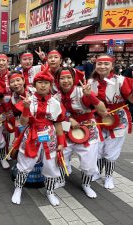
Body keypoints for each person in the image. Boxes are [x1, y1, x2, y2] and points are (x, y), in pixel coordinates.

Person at [11, 68, 66, 206]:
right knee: (24, 164)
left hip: (50, 137)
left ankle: (50, 192)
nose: (43, 85)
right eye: (40, 82)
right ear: (34, 85)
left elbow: (58, 124)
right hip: (31, 135)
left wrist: (61, 142)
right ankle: (18, 188)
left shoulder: (56, 103)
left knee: (51, 166)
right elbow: (23, 123)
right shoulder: (28, 100)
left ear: (50, 85)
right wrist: (25, 108)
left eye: (46, 82)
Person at [55, 67, 107, 199]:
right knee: (60, 156)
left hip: (87, 129)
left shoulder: (82, 91)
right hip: (66, 128)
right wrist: (68, 119)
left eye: (69, 77)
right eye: (62, 78)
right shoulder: (56, 96)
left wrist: (90, 95)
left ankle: (86, 184)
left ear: (74, 79)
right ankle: (61, 179)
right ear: (57, 80)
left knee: (88, 163)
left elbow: (103, 111)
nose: (66, 81)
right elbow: (54, 115)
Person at [89, 54, 133, 189]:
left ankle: (108, 176)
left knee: (111, 150)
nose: (102, 66)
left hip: (118, 119)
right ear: (95, 65)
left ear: (112, 66)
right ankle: (97, 172)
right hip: (98, 119)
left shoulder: (121, 80)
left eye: (106, 64)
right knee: (98, 148)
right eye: (99, 63)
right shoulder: (90, 83)